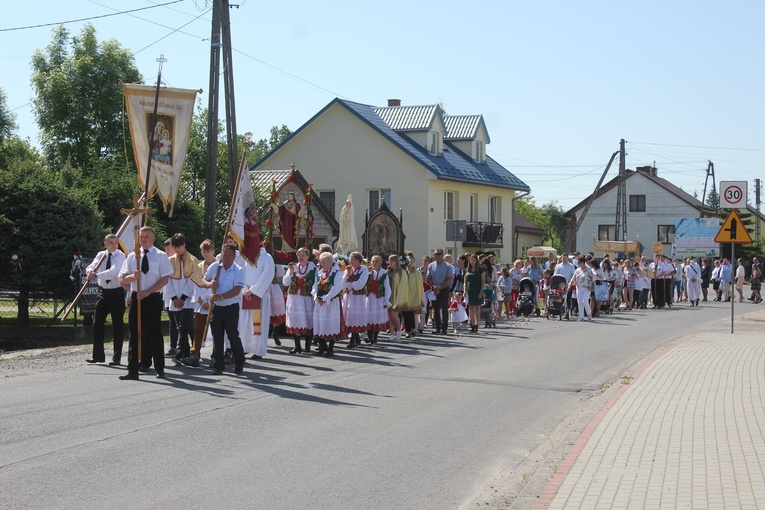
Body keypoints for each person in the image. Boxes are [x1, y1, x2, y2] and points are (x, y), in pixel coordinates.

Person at [117, 226, 172, 380]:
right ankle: (133, 369)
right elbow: (121, 279)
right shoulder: (132, 257)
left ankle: (160, 368)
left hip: (153, 297)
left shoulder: (161, 256)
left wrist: (148, 291)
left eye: (147, 236)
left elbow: (165, 279)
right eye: (141, 236)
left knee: (155, 333)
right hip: (137, 297)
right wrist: (132, 278)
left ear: (153, 238)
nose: (143, 239)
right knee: (134, 333)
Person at [203, 243, 246, 375]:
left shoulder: (238, 270)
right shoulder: (215, 267)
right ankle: (218, 364)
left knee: (233, 336)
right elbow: (203, 280)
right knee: (217, 337)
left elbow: (237, 290)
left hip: (230, 307)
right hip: (216, 308)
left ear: (234, 257)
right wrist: (210, 284)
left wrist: (220, 297)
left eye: (229, 255)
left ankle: (239, 361)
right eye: (224, 254)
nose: (226, 257)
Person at [85, 234, 126, 365]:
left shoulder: (120, 256)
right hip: (103, 292)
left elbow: (113, 272)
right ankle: (98, 355)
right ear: (105, 244)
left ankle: (116, 357)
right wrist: (90, 273)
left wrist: (96, 275)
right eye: (111, 243)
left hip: (116, 292)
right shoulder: (101, 254)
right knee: (97, 323)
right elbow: (91, 267)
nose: (114, 245)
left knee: (117, 324)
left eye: (115, 243)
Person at [166, 233, 200, 364]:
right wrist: (174, 298)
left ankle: (183, 352)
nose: (177, 250)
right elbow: (167, 280)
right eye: (175, 247)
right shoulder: (170, 260)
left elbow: (192, 281)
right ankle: (189, 352)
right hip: (175, 299)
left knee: (184, 324)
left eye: (179, 247)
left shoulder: (193, 260)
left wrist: (183, 297)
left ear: (184, 245)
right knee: (183, 326)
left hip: (188, 300)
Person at [180, 239, 215, 367]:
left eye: (208, 251)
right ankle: (195, 354)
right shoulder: (199, 267)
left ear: (213, 251)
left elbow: (216, 285)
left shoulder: (218, 266)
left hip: (214, 301)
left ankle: (216, 355)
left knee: (216, 330)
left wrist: (208, 298)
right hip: (201, 303)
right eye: (203, 251)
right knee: (198, 329)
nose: (205, 254)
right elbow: (196, 285)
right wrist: (201, 299)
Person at [242, 241, 276, 361]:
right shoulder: (247, 257)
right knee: (246, 323)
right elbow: (243, 274)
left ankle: (259, 350)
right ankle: (246, 347)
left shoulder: (267, 258)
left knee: (259, 323)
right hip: (247, 294)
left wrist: (253, 290)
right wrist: (245, 290)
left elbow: (267, 276)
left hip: (260, 294)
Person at [283, 247, 316, 354]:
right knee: (294, 319)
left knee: (308, 320)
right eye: (299, 255)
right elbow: (286, 283)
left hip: (306, 298)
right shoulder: (293, 267)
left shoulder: (313, 268)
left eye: (303, 255)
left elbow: (316, 283)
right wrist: (290, 272)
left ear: (308, 256)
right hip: (294, 298)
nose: (301, 257)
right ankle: (297, 346)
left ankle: (307, 346)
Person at [312, 252, 344, 356]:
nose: (322, 264)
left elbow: (337, 287)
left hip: (331, 302)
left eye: (324, 262)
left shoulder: (336, 273)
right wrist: (316, 295)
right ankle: (321, 347)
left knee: (331, 324)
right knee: (320, 323)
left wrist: (326, 298)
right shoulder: (320, 273)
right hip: (320, 302)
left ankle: (330, 348)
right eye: (321, 262)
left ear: (331, 262)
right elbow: (314, 286)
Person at [343, 251, 369, 348]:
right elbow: (343, 283)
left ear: (358, 260)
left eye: (352, 260)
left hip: (358, 298)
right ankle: (357, 338)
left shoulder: (364, 270)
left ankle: (352, 340)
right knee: (349, 317)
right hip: (349, 296)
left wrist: (349, 284)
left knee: (355, 317)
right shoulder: (349, 270)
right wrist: (348, 274)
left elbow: (360, 285)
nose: (350, 261)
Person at [427, 248, 454, 335]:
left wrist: (439, 287)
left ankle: (444, 327)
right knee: (436, 308)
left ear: (442, 255)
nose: (437, 256)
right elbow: (428, 278)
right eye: (435, 254)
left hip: (444, 289)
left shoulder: (448, 266)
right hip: (434, 289)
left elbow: (449, 278)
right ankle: (437, 327)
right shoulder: (431, 265)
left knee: (444, 308)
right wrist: (434, 286)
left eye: (439, 254)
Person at [365, 254, 391, 344]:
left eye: (376, 261)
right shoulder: (368, 272)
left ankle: (375, 337)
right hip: (369, 298)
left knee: (377, 318)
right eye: (372, 261)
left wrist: (386, 301)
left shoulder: (384, 274)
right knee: (368, 317)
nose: (374, 263)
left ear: (380, 262)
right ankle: (369, 337)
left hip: (379, 298)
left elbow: (387, 288)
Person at [401, 251, 424, 338]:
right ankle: (408, 330)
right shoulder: (404, 272)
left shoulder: (417, 273)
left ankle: (413, 329)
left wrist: (420, 298)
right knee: (405, 313)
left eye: (411, 262)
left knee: (412, 314)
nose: (409, 264)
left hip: (413, 296)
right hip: (405, 296)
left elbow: (419, 286)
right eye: (408, 262)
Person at [386, 253, 407, 341]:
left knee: (394, 315)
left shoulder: (402, 272)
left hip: (398, 296)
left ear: (394, 261)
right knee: (390, 316)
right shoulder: (389, 272)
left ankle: (398, 331)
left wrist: (399, 298)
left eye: (390, 261)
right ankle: (391, 334)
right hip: (389, 296)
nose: (389, 262)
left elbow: (403, 285)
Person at [464, 253, 485, 333]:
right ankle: (472, 324)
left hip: (477, 290)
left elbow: (483, 281)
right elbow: (465, 282)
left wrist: (481, 291)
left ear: (476, 261)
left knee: (477, 308)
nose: (472, 261)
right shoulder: (468, 269)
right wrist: (465, 291)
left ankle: (476, 324)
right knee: (471, 308)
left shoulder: (480, 269)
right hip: (470, 290)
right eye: (471, 260)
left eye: (474, 260)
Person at [571, 256, 595, 321]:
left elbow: (592, 279)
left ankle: (589, 314)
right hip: (579, 287)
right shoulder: (577, 270)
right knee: (580, 302)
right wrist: (569, 285)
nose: (578, 264)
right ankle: (581, 317)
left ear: (583, 262)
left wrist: (593, 286)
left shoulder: (589, 270)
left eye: (579, 262)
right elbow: (573, 279)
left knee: (585, 301)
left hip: (587, 287)